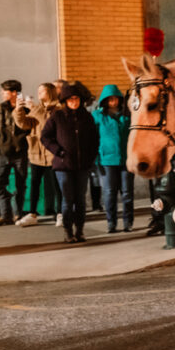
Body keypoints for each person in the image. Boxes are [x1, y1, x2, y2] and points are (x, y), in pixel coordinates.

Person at [41, 84, 99, 243]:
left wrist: (90, 157)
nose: (74, 102)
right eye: (71, 99)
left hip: (82, 166)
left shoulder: (87, 117)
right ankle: (68, 231)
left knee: (80, 199)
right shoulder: (57, 117)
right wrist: (58, 151)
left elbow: (95, 139)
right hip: (63, 166)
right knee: (67, 199)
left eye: (77, 99)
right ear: (65, 101)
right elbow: (45, 137)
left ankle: (79, 231)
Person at [12, 83, 62, 227]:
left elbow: (48, 122)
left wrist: (34, 108)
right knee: (34, 183)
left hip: (52, 153)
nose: (39, 92)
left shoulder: (58, 108)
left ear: (50, 92)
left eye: (42, 90)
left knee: (57, 184)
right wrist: (19, 109)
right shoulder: (37, 108)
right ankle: (32, 214)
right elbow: (23, 124)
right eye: (38, 89)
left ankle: (60, 213)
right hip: (36, 152)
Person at [93, 84, 135, 233]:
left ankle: (128, 221)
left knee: (127, 192)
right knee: (109, 192)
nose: (113, 102)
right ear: (105, 100)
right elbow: (93, 137)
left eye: (116, 99)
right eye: (110, 99)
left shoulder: (127, 115)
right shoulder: (97, 116)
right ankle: (111, 222)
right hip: (107, 159)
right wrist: (96, 157)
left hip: (126, 158)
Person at [0, 80, 30, 226]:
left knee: (21, 184)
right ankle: (6, 214)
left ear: (13, 93)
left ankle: (18, 214)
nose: (2, 94)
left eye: (4, 91)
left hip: (21, 153)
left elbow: (31, 128)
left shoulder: (25, 108)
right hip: (3, 154)